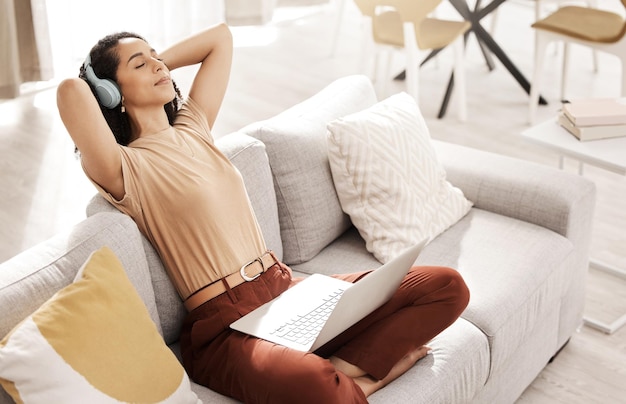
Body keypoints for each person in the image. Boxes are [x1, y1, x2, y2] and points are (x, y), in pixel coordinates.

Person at [57, 23, 470, 403]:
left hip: (286, 291)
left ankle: (342, 372)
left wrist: (153, 62)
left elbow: (220, 38)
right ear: (112, 92)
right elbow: (68, 93)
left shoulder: (194, 127)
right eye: (139, 63)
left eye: (156, 57)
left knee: (445, 286)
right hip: (225, 330)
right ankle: (366, 379)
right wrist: (96, 82)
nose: (158, 65)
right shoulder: (124, 168)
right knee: (314, 386)